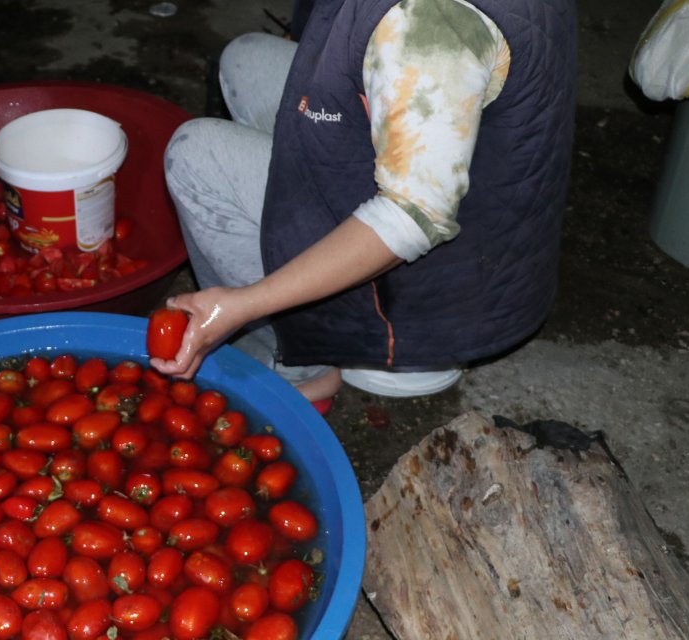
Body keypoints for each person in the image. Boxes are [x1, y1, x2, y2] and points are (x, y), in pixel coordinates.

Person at [155, 0, 576, 408]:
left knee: (196, 156)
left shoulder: (431, 24)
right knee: (245, 60)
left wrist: (242, 305)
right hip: (482, 194)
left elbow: (412, 218)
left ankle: (300, 366)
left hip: (433, 291)